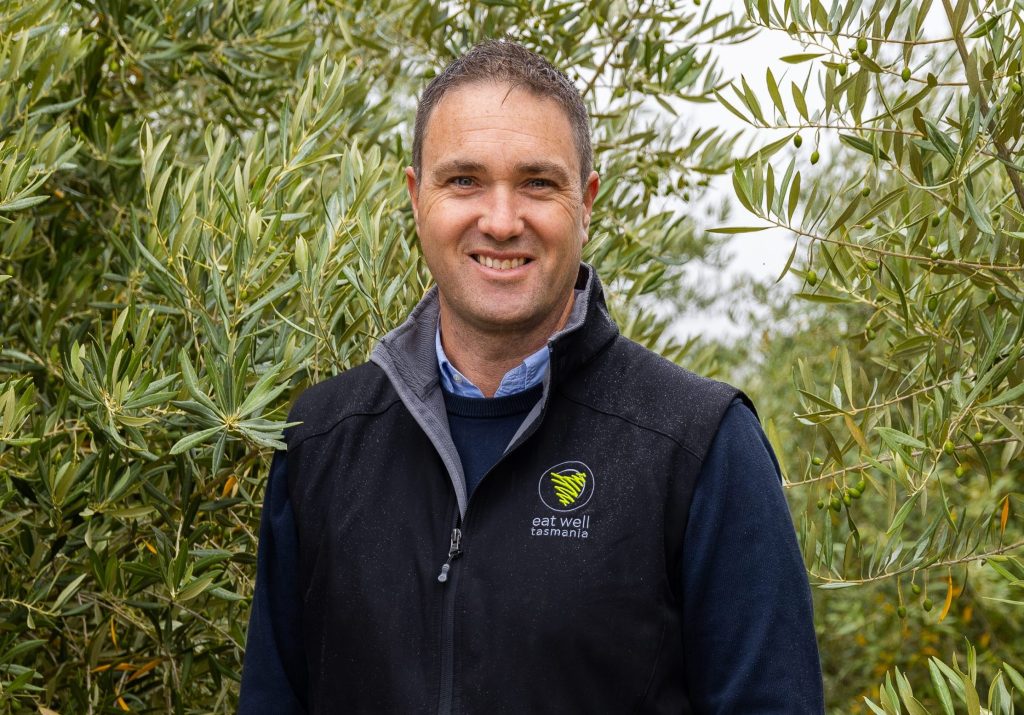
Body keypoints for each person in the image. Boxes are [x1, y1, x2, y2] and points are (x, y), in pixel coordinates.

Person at [239, 40, 824, 713]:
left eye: (538, 183)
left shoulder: (700, 448)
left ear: (586, 202)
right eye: (464, 180)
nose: (501, 219)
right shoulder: (321, 443)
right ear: (415, 196)